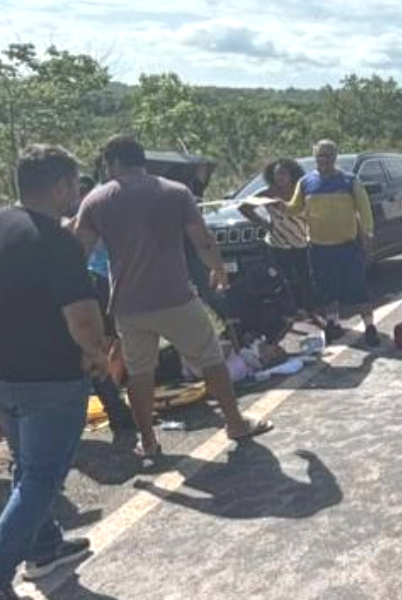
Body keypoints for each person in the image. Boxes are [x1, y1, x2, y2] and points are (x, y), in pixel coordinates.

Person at [0, 145, 107, 600]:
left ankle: (44, 547)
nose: (78, 193)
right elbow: (82, 316)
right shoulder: (57, 239)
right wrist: (96, 354)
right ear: (60, 185)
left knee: (27, 463)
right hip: (50, 376)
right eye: (76, 184)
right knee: (43, 475)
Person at [75, 134, 272, 459]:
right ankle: (235, 423)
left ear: (112, 163)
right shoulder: (175, 192)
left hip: (128, 305)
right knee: (210, 359)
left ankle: (149, 442)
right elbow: (202, 239)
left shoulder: (96, 200)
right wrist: (218, 269)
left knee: (140, 373)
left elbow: (78, 252)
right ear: (142, 160)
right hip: (176, 297)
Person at [282, 140, 378, 346]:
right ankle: (333, 324)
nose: (323, 160)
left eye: (327, 155)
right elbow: (293, 208)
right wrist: (274, 205)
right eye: (319, 156)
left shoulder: (349, 181)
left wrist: (368, 234)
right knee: (326, 290)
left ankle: (370, 327)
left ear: (335, 157)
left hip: (346, 246)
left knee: (357, 288)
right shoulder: (306, 183)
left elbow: (364, 209)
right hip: (318, 248)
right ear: (314, 158)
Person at [238, 158, 335, 338]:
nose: (279, 177)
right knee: (282, 281)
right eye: (276, 174)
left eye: (283, 173)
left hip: (301, 242)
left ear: (292, 174)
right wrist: (264, 224)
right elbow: (244, 208)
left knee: (307, 280)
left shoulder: (301, 192)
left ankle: (315, 315)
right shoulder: (268, 193)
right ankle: (287, 317)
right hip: (277, 244)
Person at [71, 175, 135, 433]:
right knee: (113, 338)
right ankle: (113, 387)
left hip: (101, 279)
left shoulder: (86, 214)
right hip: (102, 279)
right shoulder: (88, 215)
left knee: (108, 338)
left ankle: (112, 386)